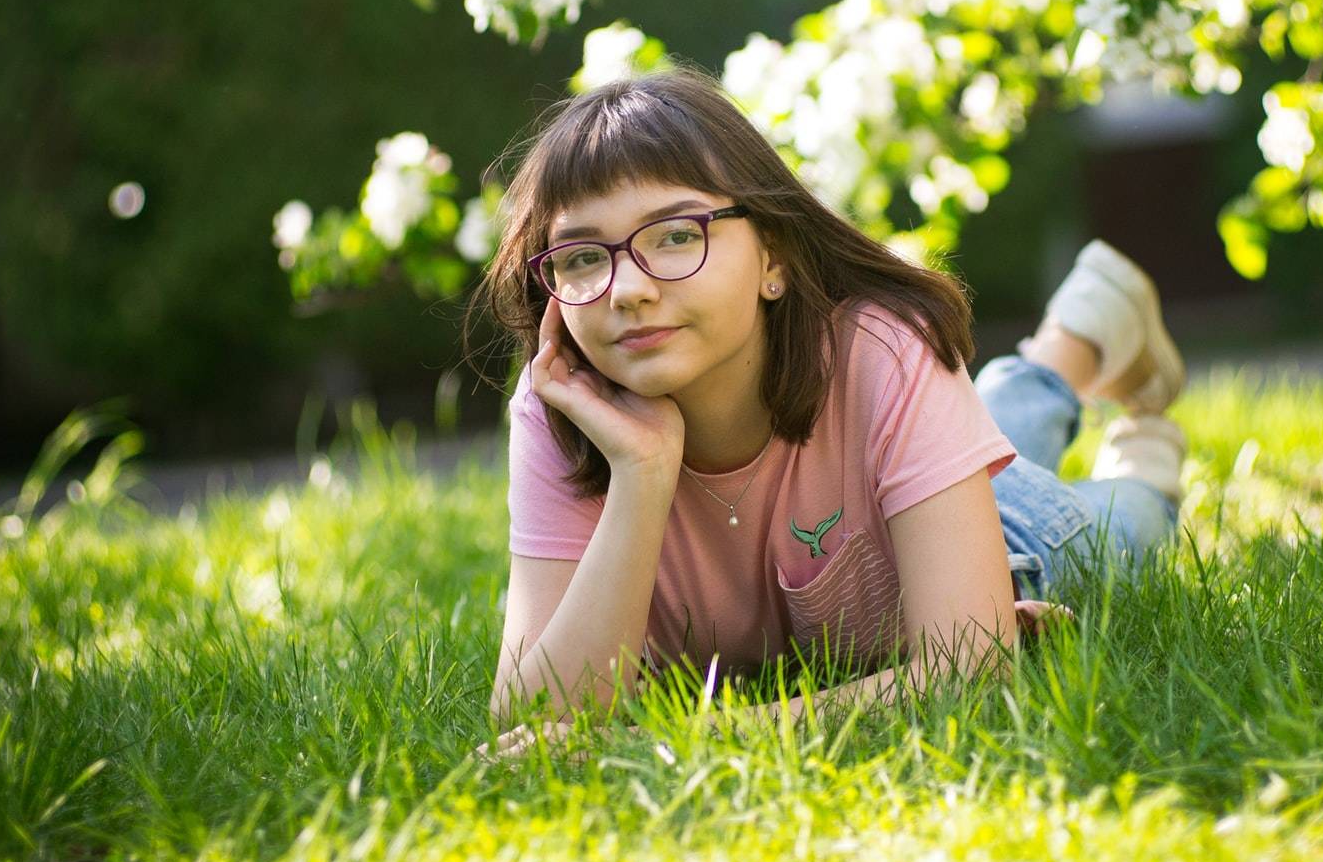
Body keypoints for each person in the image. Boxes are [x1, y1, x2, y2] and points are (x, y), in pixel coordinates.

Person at [467, 65, 1186, 752]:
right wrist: (641, 471)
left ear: (772, 258)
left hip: (1009, 540)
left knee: (1132, 520)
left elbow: (971, 668)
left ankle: (1138, 439)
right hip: (903, 485)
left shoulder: (877, 348)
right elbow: (534, 719)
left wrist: (672, 744)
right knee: (978, 430)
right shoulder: (566, 403)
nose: (625, 289)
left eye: (678, 235)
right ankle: (1084, 328)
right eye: (583, 257)